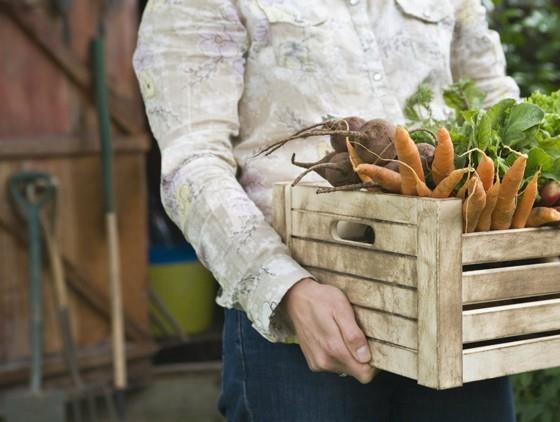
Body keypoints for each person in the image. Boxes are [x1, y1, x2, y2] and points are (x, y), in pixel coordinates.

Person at [133, 0, 519, 420]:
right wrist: (288, 290)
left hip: (454, 301)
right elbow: (191, 165)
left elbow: (494, 103)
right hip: (304, 323)